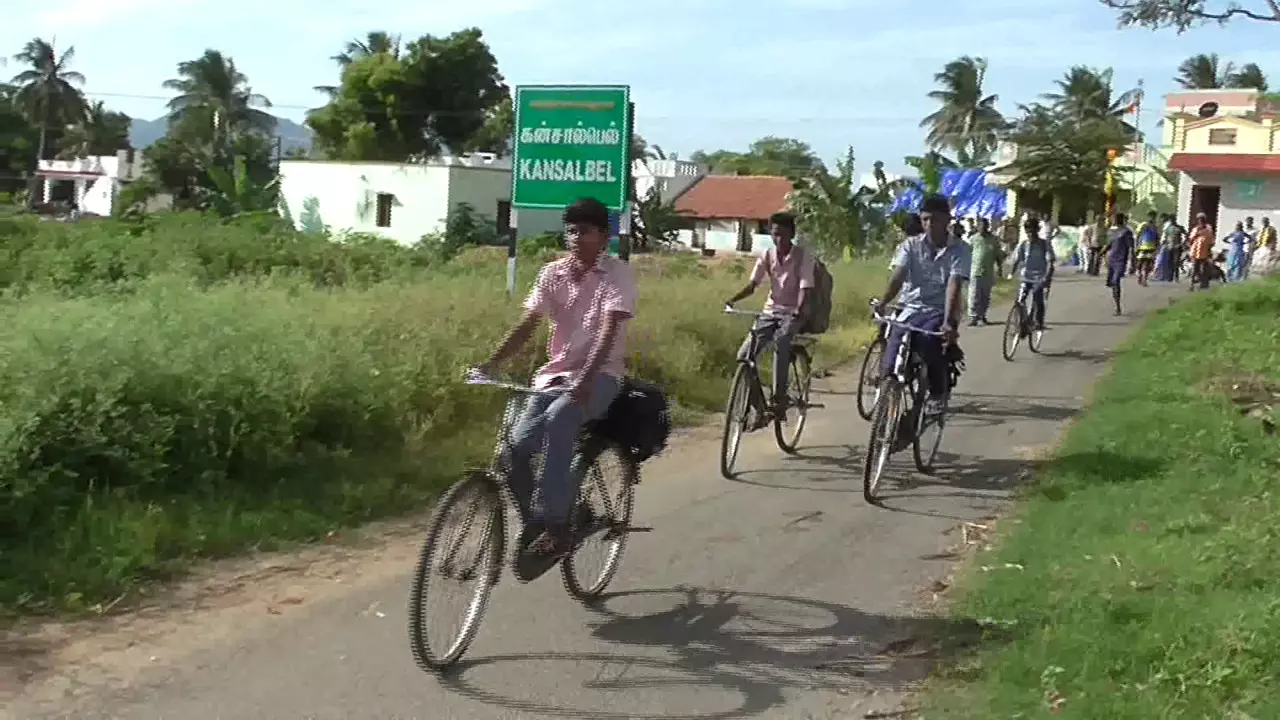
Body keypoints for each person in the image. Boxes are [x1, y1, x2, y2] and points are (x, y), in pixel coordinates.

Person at [475, 196, 637, 568]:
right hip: (554, 376)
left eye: (587, 231)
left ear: (604, 236)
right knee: (512, 452)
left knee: (561, 419)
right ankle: (543, 519)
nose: (577, 238)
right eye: (572, 231)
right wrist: (493, 363)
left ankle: (556, 525)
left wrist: (586, 380)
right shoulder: (553, 273)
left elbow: (608, 331)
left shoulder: (618, 274)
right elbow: (529, 323)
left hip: (602, 376)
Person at [876, 193, 970, 417]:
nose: (929, 224)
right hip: (910, 307)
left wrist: (948, 322)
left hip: (942, 309)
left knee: (930, 341)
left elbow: (953, 285)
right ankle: (890, 380)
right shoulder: (910, 246)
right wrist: (883, 301)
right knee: (894, 339)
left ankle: (938, 393)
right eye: (925, 219)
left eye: (935, 219)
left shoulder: (960, 249)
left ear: (947, 220)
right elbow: (898, 276)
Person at [725, 211, 814, 423]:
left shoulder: (803, 257)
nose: (779, 239)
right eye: (775, 234)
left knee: (782, 341)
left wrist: (798, 310)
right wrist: (732, 300)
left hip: (793, 313)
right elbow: (753, 285)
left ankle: (779, 398)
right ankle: (760, 407)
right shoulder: (767, 255)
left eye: (783, 235)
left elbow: (806, 288)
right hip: (770, 312)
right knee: (744, 355)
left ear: (792, 234)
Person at [1010, 217, 1056, 329]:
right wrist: (1011, 273)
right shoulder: (1023, 245)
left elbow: (1050, 261)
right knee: (1020, 300)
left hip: (1040, 277)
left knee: (1037, 298)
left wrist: (1047, 277)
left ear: (1037, 230)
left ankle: (1038, 322)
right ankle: (1021, 323)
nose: (1030, 234)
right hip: (1025, 276)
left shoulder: (1044, 244)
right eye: (1028, 231)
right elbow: (1017, 260)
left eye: (1032, 231)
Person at [967, 217, 1005, 326]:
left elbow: (998, 255)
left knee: (985, 296)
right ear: (977, 227)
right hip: (975, 271)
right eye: (980, 226)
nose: (982, 228)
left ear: (988, 227)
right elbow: (966, 254)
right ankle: (974, 317)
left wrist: (1000, 269)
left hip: (988, 273)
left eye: (984, 226)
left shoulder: (993, 240)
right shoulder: (973, 239)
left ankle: (982, 316)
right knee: (974, 295)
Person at [1104, 213, 1135, 316]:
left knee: (1116, 281)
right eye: (1113, 218)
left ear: (1120, 220)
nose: (1113, 220)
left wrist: (1132, 262)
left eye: (1115, 218)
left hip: (1121, 260)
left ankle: (1118, 307)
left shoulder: (1126, 232)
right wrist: (1100, 254)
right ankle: (1116, 302)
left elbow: (1131, 247)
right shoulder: (1112, 231)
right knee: (1112, 283)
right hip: (1111, 259)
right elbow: (1108, 245)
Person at [1188, 212, 1215, 290]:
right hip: (1195, 251)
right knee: (1194, 269)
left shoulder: (1208, 229)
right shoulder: (1195, 229)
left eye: (1202, 219)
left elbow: (1210, 241)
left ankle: (1204, 284)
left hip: (1204, 252)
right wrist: (1197, 233)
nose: (1201, 221)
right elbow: (1190, 240)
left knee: (1204, 269)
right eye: (1199, 220)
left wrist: (1209, 251)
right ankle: (1192, 285)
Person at [1134, 211, 1160, 286]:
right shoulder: (1143, 225)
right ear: (1148, 217)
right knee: (1139, 263)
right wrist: (1136, 246)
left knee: (1148, 264)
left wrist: (1157, 246)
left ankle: (1145, 279)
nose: (1152, 218)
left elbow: (1157, 237)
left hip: (1151, 248)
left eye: (1154, 216)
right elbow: (1137, 235)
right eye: (1151, 216)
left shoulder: (1155, 227)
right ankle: (1139, 275)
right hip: (1142, 247)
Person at [1158, 213, 1186, 282]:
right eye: (1171, 219)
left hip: (1177, 247)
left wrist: (1183, 243)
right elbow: (1165, 237)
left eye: (1174, 218)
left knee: (1176, 262)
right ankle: (1169, 277)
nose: (1173, 220)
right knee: (1169, 262)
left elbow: (1186, 235)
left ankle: (1176, 277)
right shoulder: (1168, 228)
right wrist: (1165, 244)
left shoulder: (1179, 227)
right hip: (1169, 247)